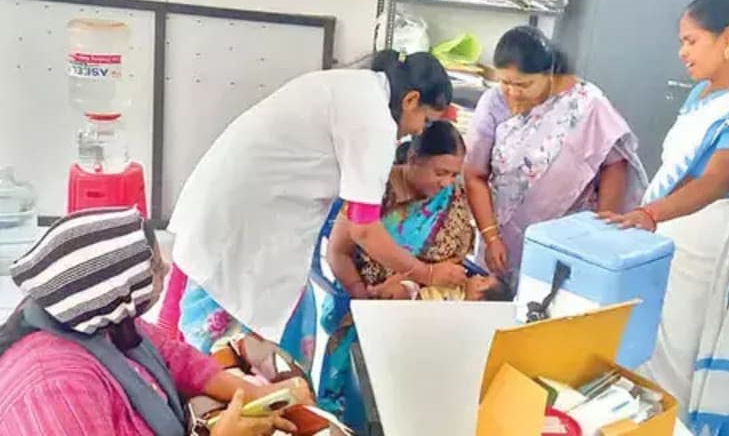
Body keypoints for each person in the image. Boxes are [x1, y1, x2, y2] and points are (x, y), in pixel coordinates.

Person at [157, 50, 467, 360]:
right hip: (244, 224)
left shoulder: (357, 88)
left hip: (239, 209)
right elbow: (362, 229)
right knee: (228, 350)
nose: (417, 132)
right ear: (410, 100)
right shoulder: (373, 119)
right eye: (424, 120)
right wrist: (426, 274)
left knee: (275, 320)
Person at [602, 0, 729, 433]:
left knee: (676, 355)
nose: (682, 52)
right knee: (645, 347)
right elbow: (681, 170)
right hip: (667, 239)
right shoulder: (705, 93)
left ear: (728, 38)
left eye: (691, 41)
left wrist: (651, 216)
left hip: (700, 254)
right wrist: (646, 221)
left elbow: (717, 180)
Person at [0, 207, 309, 436]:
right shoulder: (53, 389)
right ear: (119, 286)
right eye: (157, 269)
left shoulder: (93, 319)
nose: (166, 274)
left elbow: (174, 357)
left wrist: (256, 395)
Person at [319, 121, 513, 424]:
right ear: (412, 160)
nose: (448, 183)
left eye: (453, 174)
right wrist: (365, 298)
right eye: (440, 173)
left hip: (439, 312)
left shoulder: (452, 193)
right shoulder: (376, 191)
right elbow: (337, 252)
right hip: (375, 308)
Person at [464, 26, 647, 291]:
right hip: (500, 240)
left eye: (524, 84)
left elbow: (615, 164)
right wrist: (491, 237)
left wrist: (601, 234)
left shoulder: (585, 104)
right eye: (505, 82)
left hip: (567, 240)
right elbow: (474, 175)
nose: (513, 92)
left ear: (549, 74)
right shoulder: (493, 103)